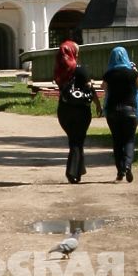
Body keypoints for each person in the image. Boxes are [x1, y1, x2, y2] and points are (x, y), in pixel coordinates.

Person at [53, 38, 96, 183]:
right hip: (81, 110)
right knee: (77, 141)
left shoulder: (59, 70)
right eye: (77, 52)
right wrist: (98, 104)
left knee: (74, 140)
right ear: (73, 53)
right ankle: (72, 172)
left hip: (64, 110)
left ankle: (79, 169)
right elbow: (90, 88)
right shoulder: (80, 69)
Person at [100, 45, 138, 182]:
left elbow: (103, 87)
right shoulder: (131, 73)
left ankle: (120, 172)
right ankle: (128, 166)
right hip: (130, 111)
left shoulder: (109, 74)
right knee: (129, 139)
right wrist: (135, 71)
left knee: (117, 141)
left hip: (113, 112)